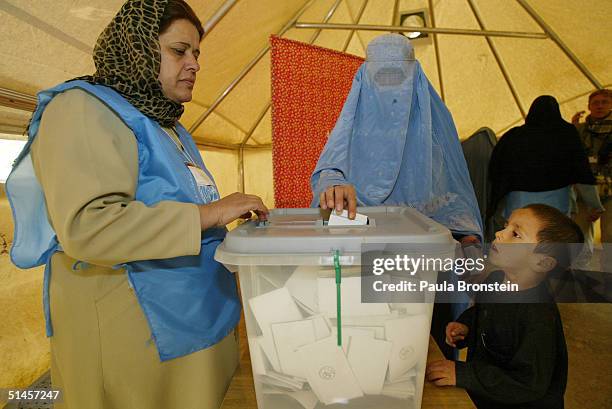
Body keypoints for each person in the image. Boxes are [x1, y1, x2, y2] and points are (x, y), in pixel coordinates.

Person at [5, 1, 268, 408]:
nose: (194, 63)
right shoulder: (81, 108)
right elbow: (92, 227)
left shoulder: (166, 123)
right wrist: (212, 214)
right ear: (138, 48)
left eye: (197, 53)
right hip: (134, 340)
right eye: (179, 51)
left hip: (194, 322)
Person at [310, 33, 482, 244]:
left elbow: (452, 192)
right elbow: (329, 172)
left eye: (397, 76)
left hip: (421, 249)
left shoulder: (432, 130)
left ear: (414, 78)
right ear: (366, 81)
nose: (390, 86)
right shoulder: (351, 128)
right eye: (382, 77)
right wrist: (334, 185)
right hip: (360, 245)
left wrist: (467, 236)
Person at [425, 204, 581, 409]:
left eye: (515, 234)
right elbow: (486, 313)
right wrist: (466, 326)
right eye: (506, 226)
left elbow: (527, 383)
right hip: (488, 396)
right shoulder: (496, 279)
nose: (499, 234)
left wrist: (463, 374)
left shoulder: (538, 317)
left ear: (542, 263)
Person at [489, 95, 602, 227]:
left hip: (518, 201)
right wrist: (594, 205)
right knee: (552, 241)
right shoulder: (566, 133)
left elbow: (496, 168)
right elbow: (581, 169)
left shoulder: (514, 136)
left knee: (520, 239)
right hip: (558, 200)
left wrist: (495, 203)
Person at [571, 89, 612, 262]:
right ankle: (581, 280)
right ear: (588, 106)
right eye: (595, 103)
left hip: (610, 193)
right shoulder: (580, 130)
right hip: (584, 192)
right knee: (578, 239)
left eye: (605, 102)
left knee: (609, 238)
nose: (600, 106)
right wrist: (572, 129)